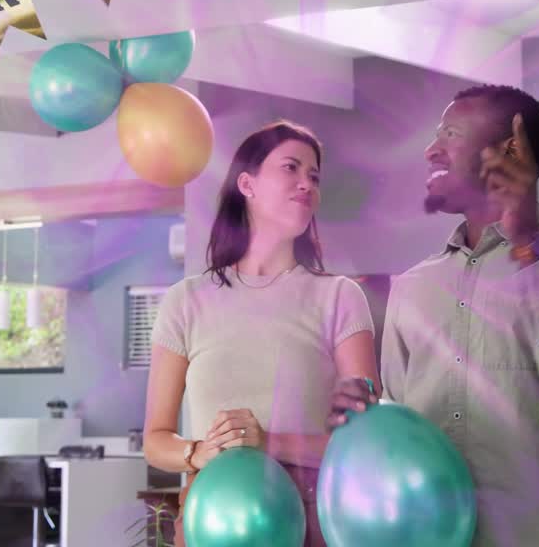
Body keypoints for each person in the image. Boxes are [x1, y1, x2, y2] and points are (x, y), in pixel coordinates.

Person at [327, 85, 539, 547]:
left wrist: (528, 248)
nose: (431, 150)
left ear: (510, 148)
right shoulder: (412, 287)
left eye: (450, 133)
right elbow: (404, 433)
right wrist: (364, 418)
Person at [144, 120, 380, 547]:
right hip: (209, 523)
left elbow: (362, 443)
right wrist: (196, 452)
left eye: (314, 176)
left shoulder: (340, 298)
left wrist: (268, 442)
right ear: (247, 184)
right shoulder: (186, 300)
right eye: (291, 168)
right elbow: (156, 439)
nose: (306, 183)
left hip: (308, 523)